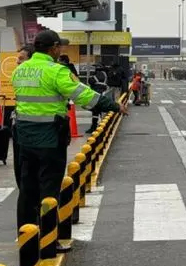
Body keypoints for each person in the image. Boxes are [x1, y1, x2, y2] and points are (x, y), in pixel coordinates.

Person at [12, 30, 127, 238]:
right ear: (53, 48)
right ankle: (48, 238)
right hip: (49, 139)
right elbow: (84, 96)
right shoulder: (56, 71)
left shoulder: (20, 70)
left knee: (27, 190)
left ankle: (25, 236)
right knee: (49, 189)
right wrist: (113, 105)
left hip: (24, 139)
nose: (61, 50)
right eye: (60, 47)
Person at [11, 44, 35, 189]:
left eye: (21, 59)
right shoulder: (18, 74)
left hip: (36, 130)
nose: (17, 62)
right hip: (20, 125)